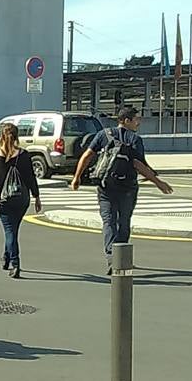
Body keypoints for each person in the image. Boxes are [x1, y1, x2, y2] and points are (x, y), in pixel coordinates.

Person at [70, 105, 173, 273]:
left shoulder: (103, 135)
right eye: (136, 119)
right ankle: (122, 258)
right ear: (126, 121)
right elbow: (138, 164)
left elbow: (87, 155)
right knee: (124, 222)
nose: (138, 123)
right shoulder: (135, 139)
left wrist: (77, 177)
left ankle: (112, 258)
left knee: (108, 221)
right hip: (128, 187)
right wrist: (158, 182)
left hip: (105, 186)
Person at [0, 123, 42, 278]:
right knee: (12, 230)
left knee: (10, 231)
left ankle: (15, 264)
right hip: (21, 200)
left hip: (3, 201)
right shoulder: (24, 155)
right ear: (17, 137)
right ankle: (6, 257)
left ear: (1, 137)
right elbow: (31, 178)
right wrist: (37, 197)